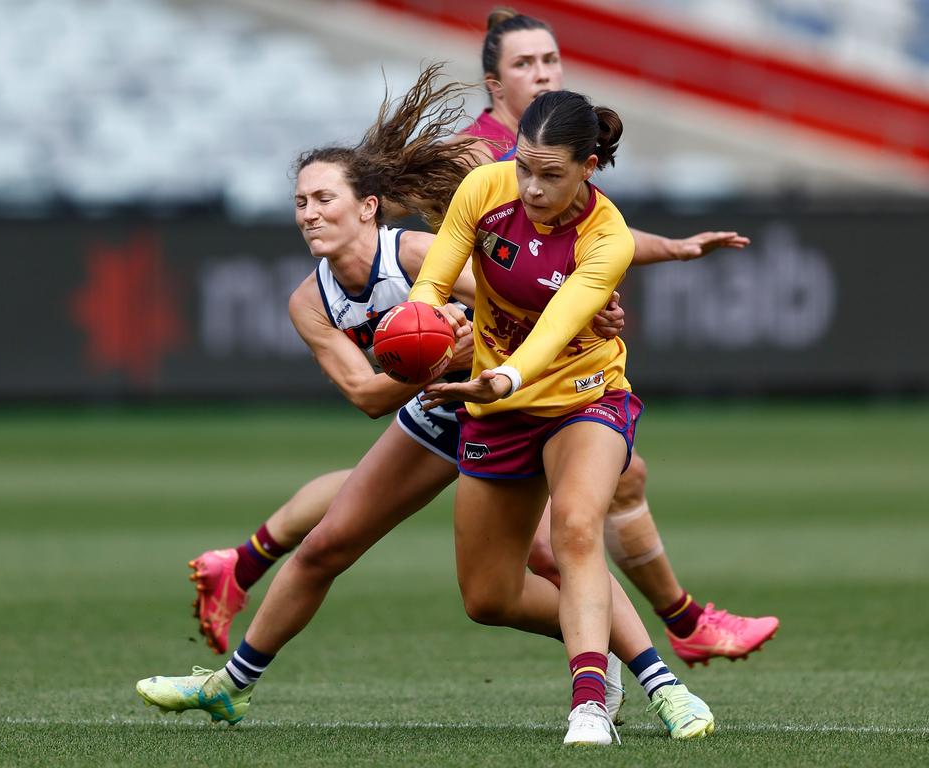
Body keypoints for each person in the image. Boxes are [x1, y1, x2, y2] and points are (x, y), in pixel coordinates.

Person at [136, 66, 713, 743]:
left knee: (571, 537)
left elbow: (534, 311)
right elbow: (367, 389)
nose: (310, 213)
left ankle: (643, 683)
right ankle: (229, 685)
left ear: (368, 207)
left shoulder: (412, 248)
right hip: (455, 403)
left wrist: (503, 358)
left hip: (553, 389)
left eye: (324, 197)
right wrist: (431, 351)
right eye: (300, 202)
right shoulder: (311, 299)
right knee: (407, 571)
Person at [190, 7, 777, 671]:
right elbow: (497, 268)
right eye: (526, 64)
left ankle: (241, 562)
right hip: (481, 372)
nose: (544, 72)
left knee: (567, 502)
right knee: (556, 531)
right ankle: (660, 645)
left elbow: (591, 238)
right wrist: (503, 323)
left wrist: (665, 252)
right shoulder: (483, 157)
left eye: (551, 60)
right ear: (495, 85)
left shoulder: (547, 151)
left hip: (509, 369)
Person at [408, 88, 712, 745]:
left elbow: (557, 329)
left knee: (575, 527)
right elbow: (433, 282)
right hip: (499, 407)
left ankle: (592, 704)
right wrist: (419, 327)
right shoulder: (485, 190)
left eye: (550, 174)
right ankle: (608, 650)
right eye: (524, 167)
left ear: (589, 168)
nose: (531, 187)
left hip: (584, 394)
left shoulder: (608, 236)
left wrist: (503, 377)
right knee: (487, 597)